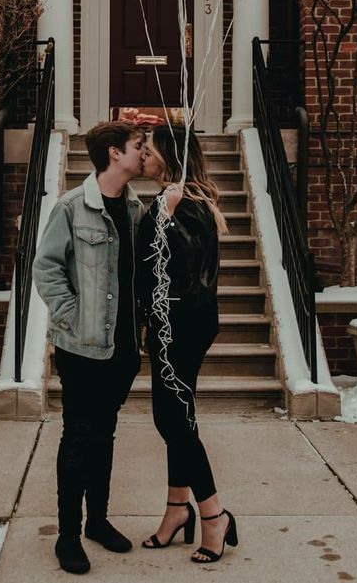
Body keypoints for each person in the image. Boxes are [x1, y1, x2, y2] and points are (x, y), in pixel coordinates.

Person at [33, 121, 146, 575]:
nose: (144, 154)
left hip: (122, 347)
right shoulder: (72, 207)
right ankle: (67, 535)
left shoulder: (138, 210)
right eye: (138, 147)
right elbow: (47, 268)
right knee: (79, 435)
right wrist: (72, 316)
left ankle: (98, 521)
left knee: (106, 432)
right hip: (82, 348)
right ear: (115, 153)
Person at [136, 125, 238, 564]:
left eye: (149, 150)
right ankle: (178, 509)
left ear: (168, 156)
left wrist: (162, 216)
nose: (143, 157)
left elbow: (180, 264)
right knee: (176, 418)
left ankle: (214, 514)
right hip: (177, 322)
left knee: (172, 419)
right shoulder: (184, 197)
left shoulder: (185, 201)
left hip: (180, 323)